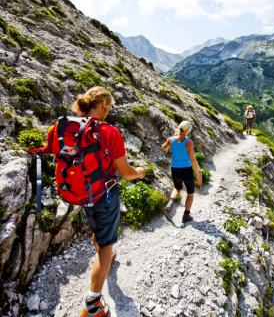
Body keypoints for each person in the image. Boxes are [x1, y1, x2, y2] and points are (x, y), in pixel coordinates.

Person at [29, 86, 146, 317]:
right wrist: (140, 172)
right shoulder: (110, 132)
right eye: (109, 107)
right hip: (104, 195)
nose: (109, 111)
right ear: (103, 105)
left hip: (80, 194)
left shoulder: (65, 128)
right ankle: (93, 304)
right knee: (106, 243)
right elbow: (125, 172)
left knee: (97, 228)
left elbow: (51, 150)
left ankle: (106, 256)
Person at [161, 121, 202, 223]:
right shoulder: (189, 142)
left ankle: (168, 206)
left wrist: (172, 141)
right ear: (188, 131)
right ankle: (186, 216)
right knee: (190, 193)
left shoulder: (171, 140)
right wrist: (198, 176)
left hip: (175, 169)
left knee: (177, 188)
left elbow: (162, 148)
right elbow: (192, 159)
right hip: (186, 170)